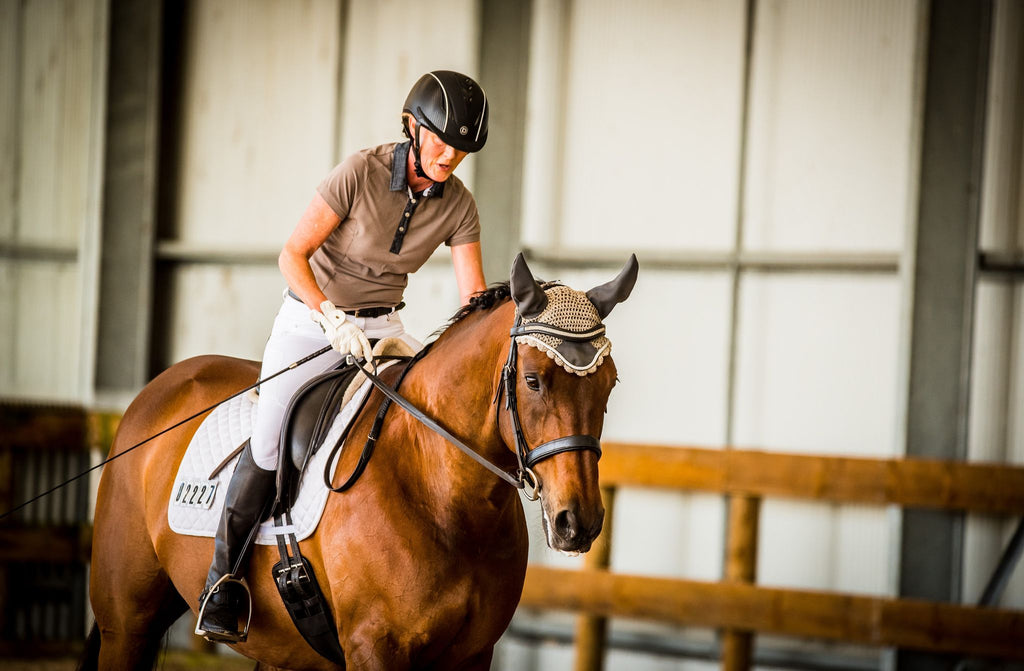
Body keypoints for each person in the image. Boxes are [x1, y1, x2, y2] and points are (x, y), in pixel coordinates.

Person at [196, 70, 490, 642]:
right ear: (412, 125)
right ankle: (222, 581)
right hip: (311, 321)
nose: (450, 154)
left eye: (462, 147)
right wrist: (328, 314)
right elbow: (292, 255)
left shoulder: (460, 206)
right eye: (440, 139)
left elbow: (473, 297)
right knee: (269, 434)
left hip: (383, 329)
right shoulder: (360, 172)